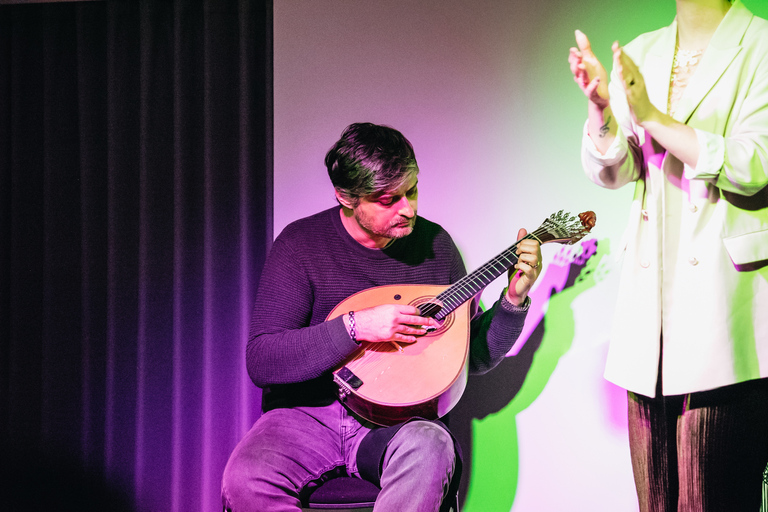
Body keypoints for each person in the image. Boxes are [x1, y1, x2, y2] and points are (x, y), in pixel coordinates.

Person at [220, 122, 542, 512]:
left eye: (413, 191)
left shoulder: (437, 248)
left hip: (393, 425)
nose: (408, 209)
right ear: (346, 197)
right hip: (306, 418)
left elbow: (472, 358)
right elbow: (264, 360)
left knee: (432, 446)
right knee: (246, 478)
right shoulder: (300, 245)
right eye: (389, 199)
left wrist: (513, 298)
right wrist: (356, 327)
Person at [569, 0, 768, 510]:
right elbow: (615, 172)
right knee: (655, 501)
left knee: (714, 498)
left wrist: (653, 118)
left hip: (729, 308)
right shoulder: (642, 52)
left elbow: (754, 164)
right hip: (650, 317)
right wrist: (602, 110)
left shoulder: (761, 44)